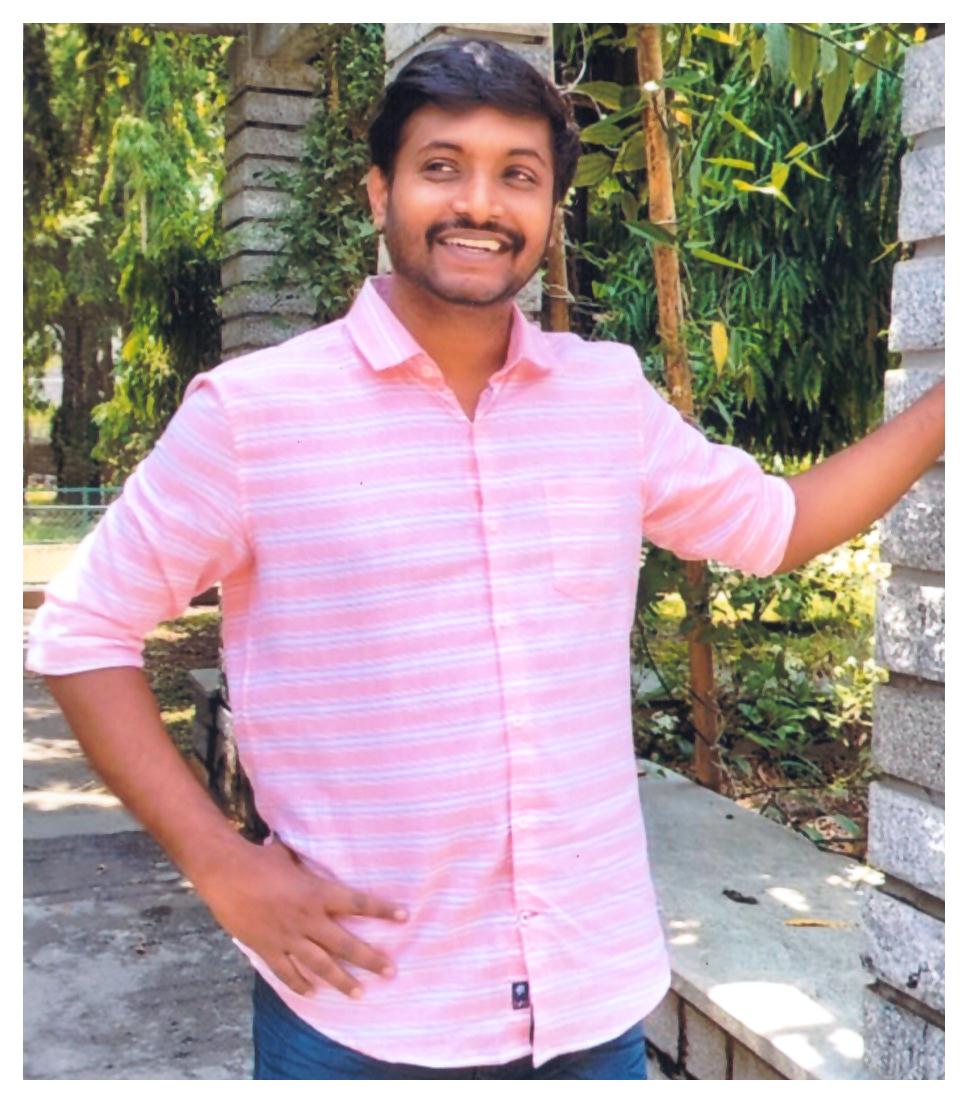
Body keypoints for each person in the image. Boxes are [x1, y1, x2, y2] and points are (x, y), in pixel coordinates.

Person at [27, 38, 944, 1081]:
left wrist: (941, 408)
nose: (479, 202)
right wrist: (220, 865)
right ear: (379, 191)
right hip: (362, 1017)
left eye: (517, 174)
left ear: (550, 210)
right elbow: (83, 628)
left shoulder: (604, 398)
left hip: (591, 1005)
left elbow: (776, 524)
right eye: (441, 165)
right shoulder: (255, 414)